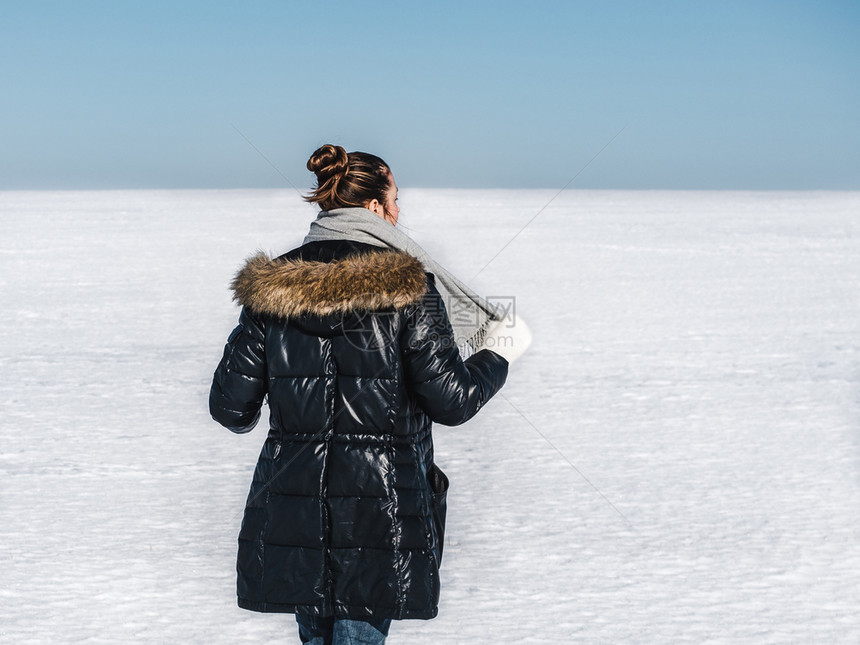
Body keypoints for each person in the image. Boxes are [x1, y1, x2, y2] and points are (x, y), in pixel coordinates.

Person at [209, 144, 531, 644]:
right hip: (381, 514)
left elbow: (231, 407)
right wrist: (499, 352)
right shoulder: (409, 287)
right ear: (377, 206)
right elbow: (452, 400)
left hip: (297, 510)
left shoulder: (270, 289)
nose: (401, 212)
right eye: (396, 198)